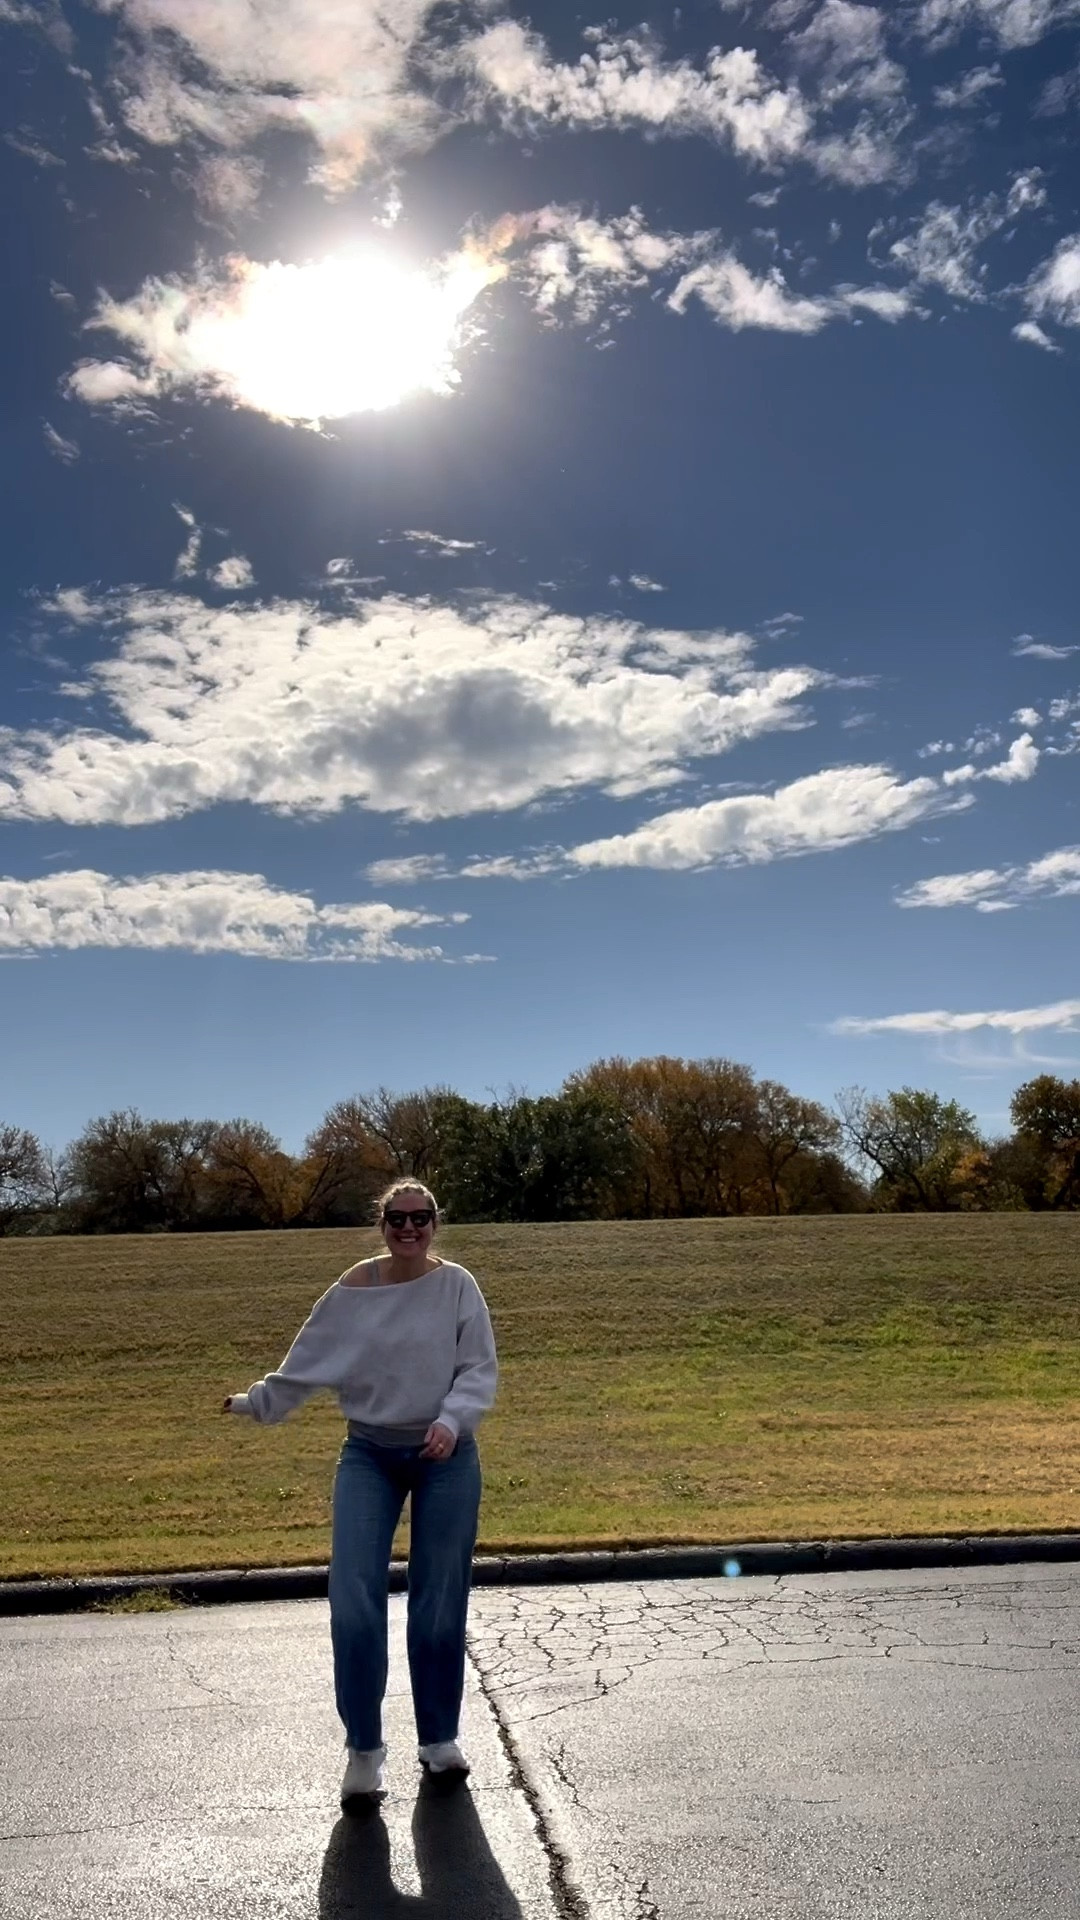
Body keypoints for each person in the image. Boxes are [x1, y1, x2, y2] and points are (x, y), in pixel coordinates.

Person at [222, 1180, 498, 1811]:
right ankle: (364, 1753)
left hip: (446, 1456)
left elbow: (478, 1367)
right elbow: (310, 1359)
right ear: (382, 1224)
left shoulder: (458, 1285)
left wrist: (452, 1421)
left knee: (438, 1598)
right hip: (369, 1452)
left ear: (435, 1222)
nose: (409, 1228)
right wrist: (260, 1402)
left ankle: (439, 1740)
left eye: (420, 1218)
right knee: (353, 1600)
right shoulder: (352, 1289)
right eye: (397, 1219)